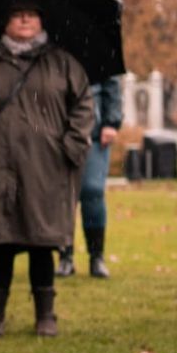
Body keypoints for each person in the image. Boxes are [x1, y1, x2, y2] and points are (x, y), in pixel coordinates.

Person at [0, 0, 94, 338]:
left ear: (42, 20)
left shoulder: (63, 63)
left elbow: (84, 107)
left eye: (32, 13)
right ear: (6, 20)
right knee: (0, 240)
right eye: (17, 14)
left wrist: (68, 148)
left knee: (43, 239)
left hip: (48, 168)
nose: (25, 19)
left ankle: (46, 314)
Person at [57, 71, 122, 278]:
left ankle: (97, 257)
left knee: (92, 191)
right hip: (58, 131)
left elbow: (112, 84)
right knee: (63, 195)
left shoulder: (98, 48)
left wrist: (111, 122)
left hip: (94, 132)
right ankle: (65, 257)